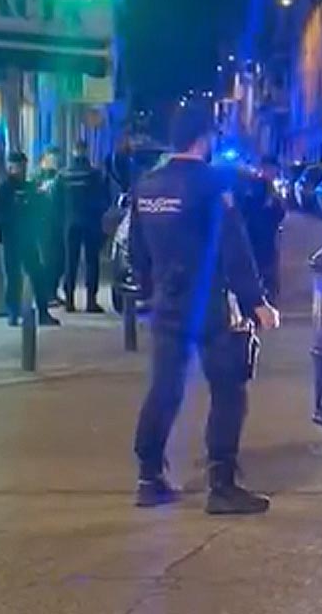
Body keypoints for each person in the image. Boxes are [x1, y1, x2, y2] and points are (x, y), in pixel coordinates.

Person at [129, 107, 280, 515]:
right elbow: (233, 247)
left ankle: (148, 478)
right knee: (229, 390)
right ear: (203, 139)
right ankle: (222, 485)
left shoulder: (147, 186)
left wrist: (150, 289)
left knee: (164, 389)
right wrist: (257, 303)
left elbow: (136, 252)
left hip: (167, 303)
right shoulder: (212, 184)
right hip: (209, 305)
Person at [0, 152, 61, 327]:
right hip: (11, 240)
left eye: (23, 166)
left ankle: (42, 312)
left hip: (29, 240)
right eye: (17, 166)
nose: (21, 170)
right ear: (11, 167)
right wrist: (9, 218)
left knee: (37, 274)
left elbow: (43, 209)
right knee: (13, 277)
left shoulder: (30, 188)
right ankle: (13, 312)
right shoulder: (3, 190)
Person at [61, 140, 110, 313]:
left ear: (73, 151)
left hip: (70, 222)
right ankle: (91, 300)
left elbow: (57, 201)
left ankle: (69, 301)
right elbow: (103, 198)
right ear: (86, 151)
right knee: (91, 261)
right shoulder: (94, 174)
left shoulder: (64, 174)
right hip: (90, 222)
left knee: (70, 261)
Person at [243, 157, 286, 303]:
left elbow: (279, 213)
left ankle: (265, 299)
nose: (275, 173)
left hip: (263, 236)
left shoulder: (267, 187)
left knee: (265, 269)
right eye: (273, 169)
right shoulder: (258, 186)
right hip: (257, 235)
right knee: (262, 269)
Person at [34, 146, 66, 305]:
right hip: (42, 224)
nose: (54, 161)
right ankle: (47, 293)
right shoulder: (36, 177)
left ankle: (52, 291)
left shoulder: (60, 178)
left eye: (56, 158)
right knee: (47, 259)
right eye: (50, 158)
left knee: (58, 261)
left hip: (57, 224)